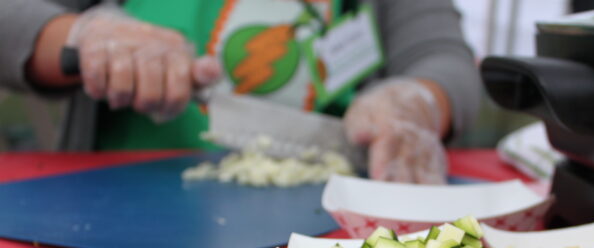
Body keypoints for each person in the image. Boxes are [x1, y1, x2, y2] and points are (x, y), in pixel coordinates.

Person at [0, 0, 480, 184]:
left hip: (328, 232)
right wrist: (85, 35)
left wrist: (416, 101)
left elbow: (446, 59)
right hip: (116, 215)